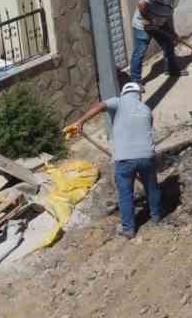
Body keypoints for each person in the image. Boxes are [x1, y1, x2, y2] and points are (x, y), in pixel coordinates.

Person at [69, 82, 161, 239]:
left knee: (126, 194)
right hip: (147, 156)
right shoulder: (146, 109)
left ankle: (129, 229)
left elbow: (100, 105)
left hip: (124, 159)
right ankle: (156, 217)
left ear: (125, 92)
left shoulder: (118, 101)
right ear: (138, 94)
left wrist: (80, 122)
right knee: (152, 188)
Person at [128, 0, 187, 82]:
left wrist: (172, 32)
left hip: (158, 24)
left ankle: (172, 70)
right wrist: (149, 20)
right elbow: (142, 5)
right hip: (143, 24)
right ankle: (135, 81)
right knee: (140, 52)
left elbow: (168, 17)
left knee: (168, 44)